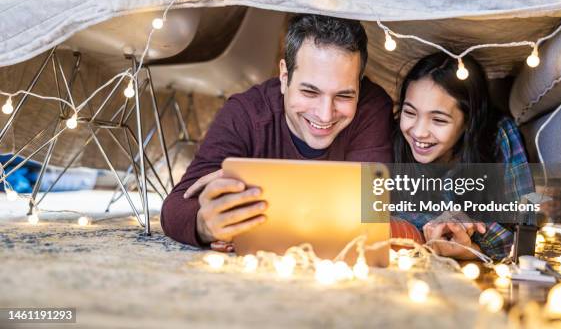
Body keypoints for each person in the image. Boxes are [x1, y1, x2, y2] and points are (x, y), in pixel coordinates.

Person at [161, 14, 393, 248]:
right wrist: (205, 224)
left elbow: (370, 212)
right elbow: (176, 207)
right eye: (310, 92)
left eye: (344, 95)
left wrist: (261, 200)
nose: (325, 115)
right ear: (284, 76)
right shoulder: (246, 112)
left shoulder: (372, 107)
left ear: (359, 84)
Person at [391, 53, 535, 260]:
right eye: (410, 113)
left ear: (468, 122)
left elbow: (524, 237)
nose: (419, 132)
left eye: (438, 120)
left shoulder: (500, 135)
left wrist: (470, 247)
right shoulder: (391, 138)